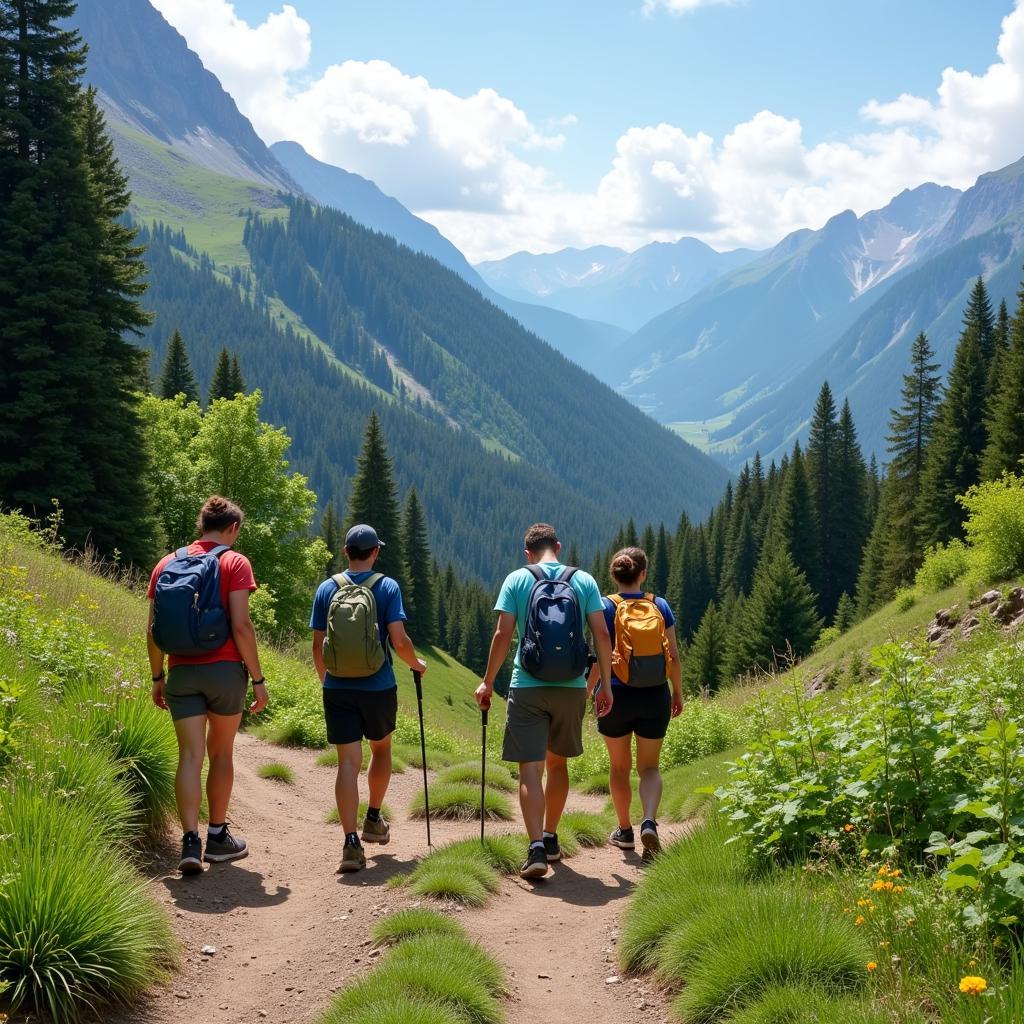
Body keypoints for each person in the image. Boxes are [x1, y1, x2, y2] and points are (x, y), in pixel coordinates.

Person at [475, 523, 613, 880]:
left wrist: (488, 682)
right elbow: (600, 633)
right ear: (558, 547)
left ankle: (535, 846)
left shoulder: (517, 580)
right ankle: (551, 837)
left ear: (528, 553)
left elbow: (503, 633)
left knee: (529, 770)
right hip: (571, 686)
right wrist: (605, 686)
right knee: (558, 766)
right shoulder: (584, 581)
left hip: (527, 686)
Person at [147, 496, 268, 875]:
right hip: (225, 672)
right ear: (232, 528)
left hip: (180, 672)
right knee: (222, 753)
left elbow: (152, 631)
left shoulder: (167, 563)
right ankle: (217, 837)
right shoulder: (234, 561)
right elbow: (241, 626)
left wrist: (158, 677)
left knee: (190, 757)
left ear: (203, 525)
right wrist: (259, 680)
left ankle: (188, 841)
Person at [309, 524, 427, 874]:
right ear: (375, 552)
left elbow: (318, 646)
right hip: (378, 687)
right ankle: (374, 819)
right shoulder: (387, 587)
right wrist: (417, 665)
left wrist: (327, 681)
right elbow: (399, 641)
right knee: (382, 749)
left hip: (337, 687)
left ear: (346, 552)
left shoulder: (327, 588)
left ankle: (349, 844)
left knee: (348, 763)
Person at [589, 546, 683, 859]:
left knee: (619, 767)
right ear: (642, 574)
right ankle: (649, 822)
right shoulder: (661, 605)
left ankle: (625, 832)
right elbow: (674, 655)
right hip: (655, 694)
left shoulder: (603, 606)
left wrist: (589, 692)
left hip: (615, 695)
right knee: (650, 767)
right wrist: (678, 692)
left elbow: (598, 656)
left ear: (614, 575)